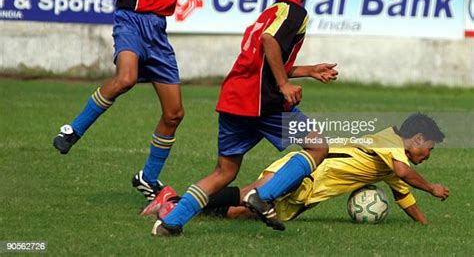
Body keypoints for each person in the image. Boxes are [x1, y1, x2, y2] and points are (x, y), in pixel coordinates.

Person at [7, 0, 243, 201]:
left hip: (158, 31)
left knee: (175, 114)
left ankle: (148, 177)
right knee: (126, 78)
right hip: (130, 22)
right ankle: (73, 129)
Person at [150, 0, 338, 236]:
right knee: (318, 146)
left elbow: (263, 60)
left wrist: (308, 70)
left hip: (235, 97)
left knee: (224, 173)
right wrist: (284, 84)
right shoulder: (295, 12)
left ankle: (171, 222)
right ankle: (261, 196)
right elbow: (269, 41)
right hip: (262, 102)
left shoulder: (271, 12)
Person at [159, 113, 449, 226]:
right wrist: (433, 188)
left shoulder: (394, 161)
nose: (428, 155)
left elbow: (404, 195)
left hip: (309, 194)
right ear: (418, 139)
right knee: (251, 193)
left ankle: (191, 208)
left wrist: (424, 226)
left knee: (240, 212)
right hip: (305, 170)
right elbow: (403, 174)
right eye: (430, 148)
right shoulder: (390, 140)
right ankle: (173, 204)